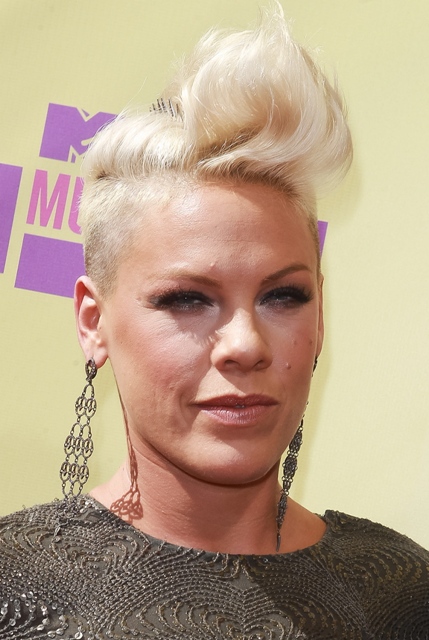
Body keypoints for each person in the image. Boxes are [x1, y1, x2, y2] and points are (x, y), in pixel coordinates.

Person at [1, 5, 428, 639]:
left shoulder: (404, 594)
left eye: (283, 296)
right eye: (186, 299)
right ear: (93, 322)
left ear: (319, 318)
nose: (246, 345)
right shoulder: (14, 587)